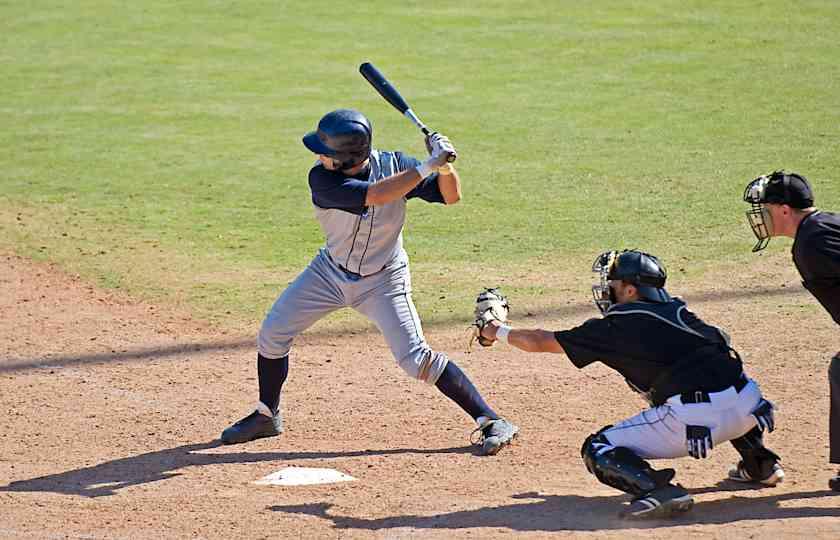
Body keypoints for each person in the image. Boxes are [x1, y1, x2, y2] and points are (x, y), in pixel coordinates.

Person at [220, 109, 518, 455]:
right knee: (272, 333)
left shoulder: (397, 165)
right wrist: (426, 165)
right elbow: (375, 195)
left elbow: (451, 196)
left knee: (416, 360)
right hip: (328, 274)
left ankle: (491, 420)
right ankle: (266, 415)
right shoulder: (322, 179)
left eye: (325, 151)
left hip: (384, 280)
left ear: (346, 158)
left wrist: (446, 164)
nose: (318, 155)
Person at [473, 249, 783, 519]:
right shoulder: (680, 311)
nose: (608, 291)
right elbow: (721, 346)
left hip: (694, 421)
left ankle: (659, 491)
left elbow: (539, 341)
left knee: (598, 448)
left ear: (631, 290)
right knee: (720, 382)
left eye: (614, 286)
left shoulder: (617, 326)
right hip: (750, 407)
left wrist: (494, 329)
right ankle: (761, 464)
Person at [743, 170, 840, 491]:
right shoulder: (822, 226)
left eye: (765, 209)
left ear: (784, 210)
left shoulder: (814, 241)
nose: (761, 217)